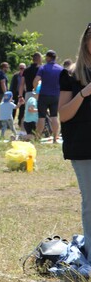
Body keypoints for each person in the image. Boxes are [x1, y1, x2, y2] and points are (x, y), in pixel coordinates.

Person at [58, 23, 91, 260]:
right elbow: (63, 114)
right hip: (82, 146)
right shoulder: (70, 74)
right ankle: (90, 252)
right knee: (90, 200)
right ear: (86, 42)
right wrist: (84, 93)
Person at [33, 50, 63, 143]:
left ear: (48, 57)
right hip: (56, 95)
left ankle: (37, 138)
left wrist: (35, 88)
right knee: (54, 116)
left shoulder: (43, 68)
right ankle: (55, 138)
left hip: (44, 95)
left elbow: (36, 80)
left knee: (41, 117)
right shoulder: (60, 69)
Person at [9, 63, 26, 129]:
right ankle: (11, 123)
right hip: (15, 94)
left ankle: (20, 123)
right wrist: (11, 94)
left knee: (22, 109)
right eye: (20, 68)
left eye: (23, 68)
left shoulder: (26, 75)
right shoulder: (15, 76)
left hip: (23, 93)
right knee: (13, 108)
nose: (22, 70)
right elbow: (12, 85)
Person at [0, 62, 10, 129]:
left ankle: (3, 124)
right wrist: (6, 93)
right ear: (4, 67)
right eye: (7, 67)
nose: (8, 68)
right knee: (3, 109)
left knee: (2, 108)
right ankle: (1, 125)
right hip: (2, 94)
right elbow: (3, 84)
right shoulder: (2, 75)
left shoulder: (0, 74)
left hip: (0, 93)